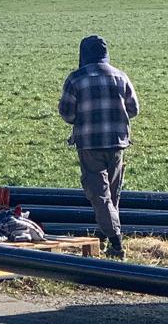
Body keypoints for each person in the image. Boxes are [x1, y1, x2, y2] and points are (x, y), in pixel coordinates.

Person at [58, 34, 140, 258]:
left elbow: (67, 113)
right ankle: (106, 238)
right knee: (113, 194)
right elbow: (134, 110)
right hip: (117, 142)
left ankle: (115, 243)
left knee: (99, 194)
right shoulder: (120, 76)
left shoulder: (75, 79)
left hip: (89, 143)